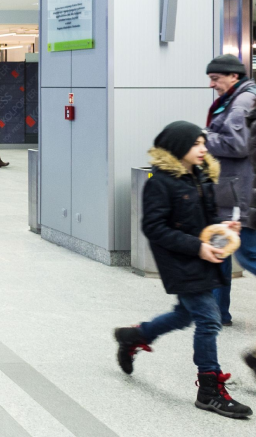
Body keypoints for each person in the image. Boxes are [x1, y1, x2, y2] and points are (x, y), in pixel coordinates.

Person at [114, 121, 251, 419]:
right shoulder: (159, 182)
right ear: (178, 148)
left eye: (203, 143)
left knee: (185, 315)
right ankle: (209, 390)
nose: (204, 149)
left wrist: (222, 228)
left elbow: (207, 219)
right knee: (209, 319)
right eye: (196, 144)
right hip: (179, 261)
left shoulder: (200, 176)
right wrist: (196, 247)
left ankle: (134, 336)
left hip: (202, 258)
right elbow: (154, 228)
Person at [202, 54, 256, 327]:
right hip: (230, 189)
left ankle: (216, 312)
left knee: (247, 253)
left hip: (238, 193)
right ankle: (216, 312)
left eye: (216, 78)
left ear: (233, 76)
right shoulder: (235, 98)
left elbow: (237, 145)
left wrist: (202, 138)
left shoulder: (242, 102)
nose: (212, 84)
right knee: (219, 250)